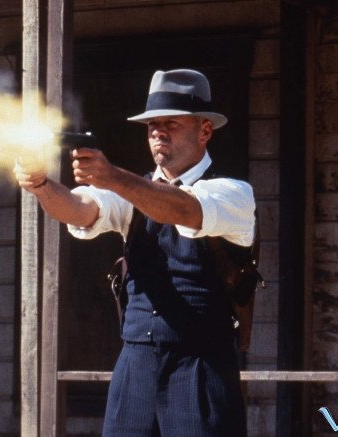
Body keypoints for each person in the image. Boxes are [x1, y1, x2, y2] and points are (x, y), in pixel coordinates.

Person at [14, 69, 254, 436]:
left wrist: (111, 176)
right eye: (152, 125)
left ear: (205, 130)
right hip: (136, 364)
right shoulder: (132, 191)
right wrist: (41, 185)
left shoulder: (233, 193)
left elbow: (183, 209)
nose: (158, 132)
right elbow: (80, 209)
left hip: (200, 365)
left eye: (171, 123)